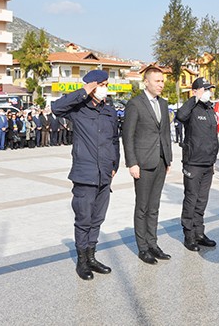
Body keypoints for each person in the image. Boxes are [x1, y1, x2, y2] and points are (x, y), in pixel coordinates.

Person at [51, 69, 120, 281]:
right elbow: (56, 108)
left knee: (98, 218)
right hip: (85, 173)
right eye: (102, 85)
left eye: (107, 85)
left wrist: (115, 164)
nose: (106, 89)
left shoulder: (109, 111)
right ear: (93, 86)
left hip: (104, 174)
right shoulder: (77, 109)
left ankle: (92, 257)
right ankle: (82, 261)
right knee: (84, 219)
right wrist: (84, 91)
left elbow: (114, 140)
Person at [122, 66, 173, 265]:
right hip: (142, 164)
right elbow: (128, 136)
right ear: (147, 82)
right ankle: (142, 248)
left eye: (162, 81)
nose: (161, 84)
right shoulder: (135, 104)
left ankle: (153, 243)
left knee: (154, 207)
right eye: (157, 81)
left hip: (160, 161)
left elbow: (166, 134)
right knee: (142, 207)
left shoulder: (163, 104)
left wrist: (167, 159)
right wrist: (132, 163)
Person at [175, 77, 219, 252]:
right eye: (205, 89)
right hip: (193, 162)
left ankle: (199, 233)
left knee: (202, 200)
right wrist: (194, 98)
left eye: (209, 89)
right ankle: (189, 234)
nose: (208, 92)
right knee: (191, 199)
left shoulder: (209, 109)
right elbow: (180, 115)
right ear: (196, 91)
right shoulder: (191, 108)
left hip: (208, 163)